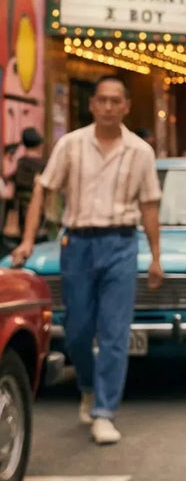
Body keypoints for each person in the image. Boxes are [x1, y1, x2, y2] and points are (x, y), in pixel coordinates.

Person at [9, 75, 162, 445]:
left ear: (125, 106)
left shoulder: (140, 151)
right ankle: (89, 385)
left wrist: (156, 256)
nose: (108, 107)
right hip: (76, 243)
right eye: (102, 101)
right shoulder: (70, 145)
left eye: (116, 101)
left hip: (122, 244)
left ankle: (104, 411)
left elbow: (149, 205)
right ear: (92, 105)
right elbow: (43, 191)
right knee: (77, 330)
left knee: (114, 331)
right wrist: (28, 240)